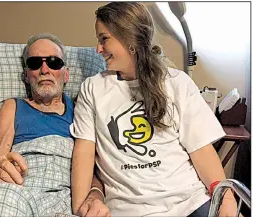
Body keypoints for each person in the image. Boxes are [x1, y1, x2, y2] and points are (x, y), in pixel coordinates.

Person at [71, 2, 238, 217]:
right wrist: (80, 207)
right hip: (129, 209)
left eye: (104, 39)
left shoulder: (177, 83)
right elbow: (84, 151)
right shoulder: (93, 89)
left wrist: (224, 197)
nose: (98, 49)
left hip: (190, 204)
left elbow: (201, 151)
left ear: (128, 39)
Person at [0, 33, 105, 215]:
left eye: (54, 62)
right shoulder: (13, 107)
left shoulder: (81, 110)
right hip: (19, 192)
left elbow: (95, 171)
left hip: (64, 198)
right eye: (35, 63)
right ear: (26, 75)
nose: (44, 70)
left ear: (66, 74)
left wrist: (95, 194)